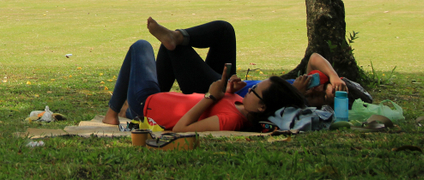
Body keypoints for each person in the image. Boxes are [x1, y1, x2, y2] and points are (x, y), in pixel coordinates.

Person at [103, 26, 306, 132]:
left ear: (262, 107)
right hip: (159, 99)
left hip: (147, 103)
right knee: (145, 47)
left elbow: (183, 128)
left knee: (141, 45)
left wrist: (211, 96)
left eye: (254, 91)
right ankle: (125, 112)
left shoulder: (233, 120)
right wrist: (228, 91)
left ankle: (112, 114)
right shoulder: (241, 104)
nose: (249, 90)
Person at [146, 18, 347, 108]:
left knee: (173, 50)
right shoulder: (310, 84)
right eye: (320, 85)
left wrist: (299, 95)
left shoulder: (301, 107)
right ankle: (178, 36)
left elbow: (259, 110)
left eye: (321, 96)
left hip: (219, 94)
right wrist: (333, 76)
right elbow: (314, 58)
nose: (316, 90)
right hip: (230, 83)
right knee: (224, 30)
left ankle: (146, 102)